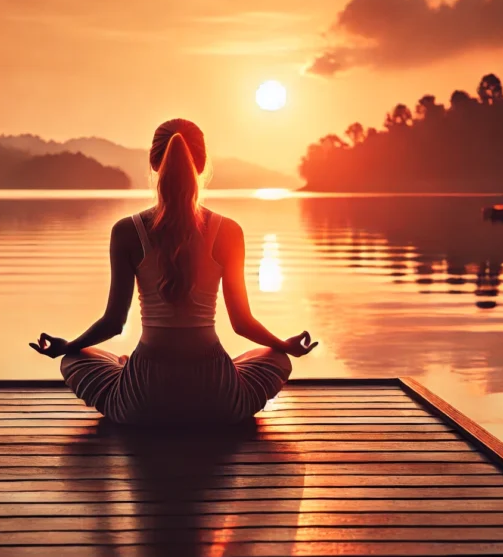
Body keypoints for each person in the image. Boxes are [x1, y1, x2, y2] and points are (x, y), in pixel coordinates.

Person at [29, 118, 317, 425]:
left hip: (143, 400)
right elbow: (242, 323)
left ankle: (126, 368)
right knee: (275, 357)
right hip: (216, 397)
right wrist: (285, 346)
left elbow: (113, 323)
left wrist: (67, 346)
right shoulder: (229, 231)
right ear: (202, 165)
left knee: (75, 358)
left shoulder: (127, 231)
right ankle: (201, 377)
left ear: (154, 163)